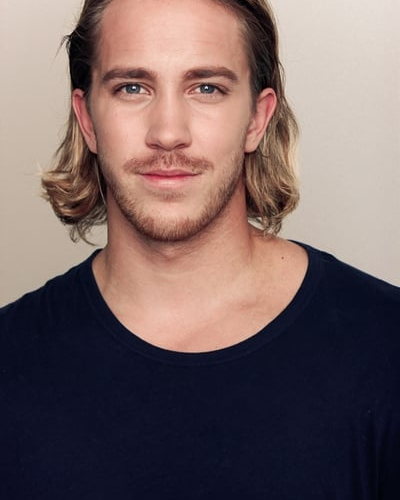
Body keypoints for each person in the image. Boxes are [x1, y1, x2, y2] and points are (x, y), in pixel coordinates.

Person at [0, 0, 399, 497]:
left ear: (257, 118)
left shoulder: (386, 347)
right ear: (87, 119)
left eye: (206, 87)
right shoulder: (10, 361)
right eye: (132, 87)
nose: (168, 133)